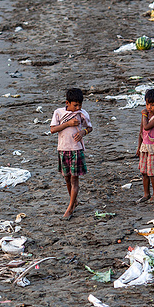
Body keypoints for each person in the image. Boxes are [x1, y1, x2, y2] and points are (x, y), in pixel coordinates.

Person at [50, 88, 93, 220]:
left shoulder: (82, 114)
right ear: (67, 103)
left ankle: (69, 209)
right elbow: (53, 129)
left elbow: (89, 127)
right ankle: (73, 201)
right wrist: (68, 124)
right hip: (63, 149)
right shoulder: (59, 113)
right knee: (67, 178)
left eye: (80, 105)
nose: (78, 107)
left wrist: (83, 132)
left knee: (74, 179)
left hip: (76, 150)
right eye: (75, 105)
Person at [135, 88, 154, 204]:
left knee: (152, 173)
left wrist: (144, 115)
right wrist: (139, 147)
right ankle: (146, 194)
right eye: (147, 104)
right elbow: (142, 131)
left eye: (152, 105)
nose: (149, 107)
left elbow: (147, 126)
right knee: (144, 172)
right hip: (145, 146)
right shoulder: (146, 115)